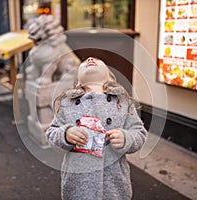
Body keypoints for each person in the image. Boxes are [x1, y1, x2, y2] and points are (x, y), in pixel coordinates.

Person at [46, 57, 147, 200]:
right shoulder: (67, 103)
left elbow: (139, 132)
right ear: (78, 80)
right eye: (84, 63)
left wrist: (126, 138)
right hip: (78, 181)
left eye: (99, 60)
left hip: (113, 181)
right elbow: (51, 133)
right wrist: (66, 134)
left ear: (109, 75)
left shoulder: (122, 101)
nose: (90, 59)